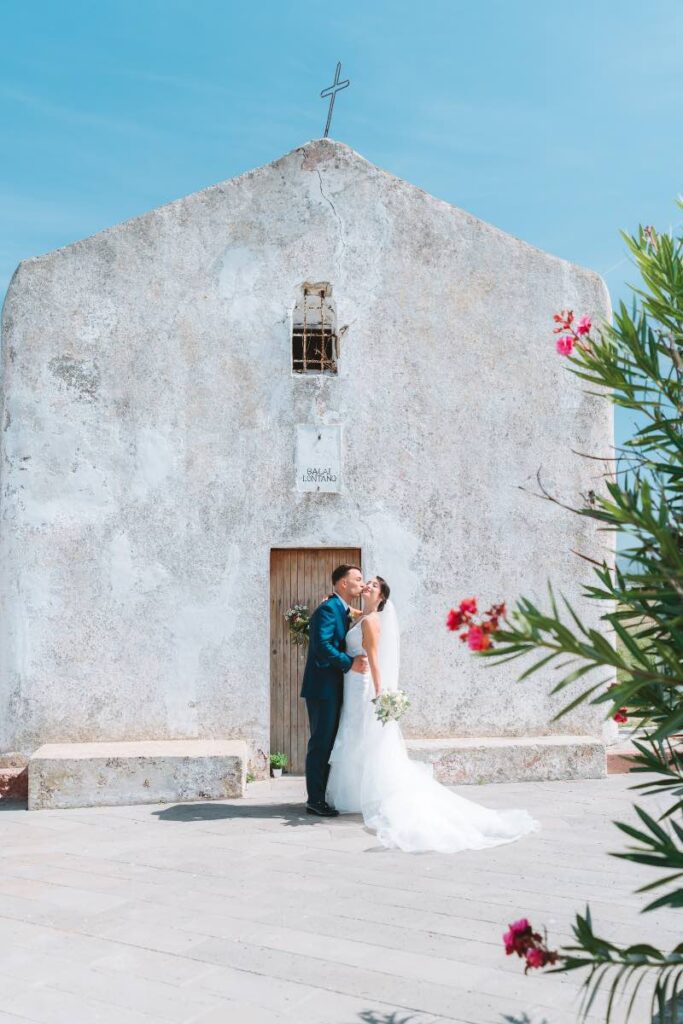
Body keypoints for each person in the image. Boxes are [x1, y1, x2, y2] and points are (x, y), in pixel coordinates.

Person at [326, 576, 540, 852]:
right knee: (357, 736)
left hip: (363, 686)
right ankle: (356, 794)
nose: (367, 585)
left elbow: (375, 660)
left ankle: (364, 795)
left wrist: (381, 695)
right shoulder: (364, 616)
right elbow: (355, 615)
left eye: (374, 586)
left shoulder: (370, 621)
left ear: (381, 597)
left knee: (361, 735)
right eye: (366, 582)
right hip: (354, 683)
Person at [300, 564, 368, 816]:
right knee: (321, 743)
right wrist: (349, 663)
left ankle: (322, 794)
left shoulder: (339, 607)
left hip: (334, 687)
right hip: (322, 689)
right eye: (357, 579)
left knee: (329, 742)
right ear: (342, 584)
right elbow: (322, 646)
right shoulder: (329, 608)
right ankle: (314, 800)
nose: (362, 583)